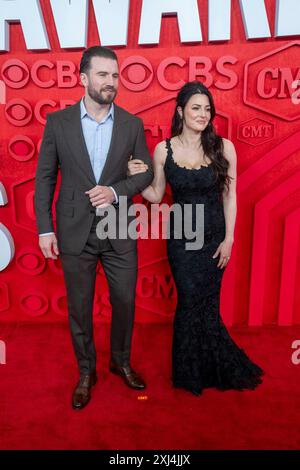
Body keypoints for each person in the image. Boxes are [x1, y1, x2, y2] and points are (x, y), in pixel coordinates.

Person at [35, 46, 153, 410]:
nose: (111, 82)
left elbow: (146, 172)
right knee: (80, 307)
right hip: (74, 231)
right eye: (102, 75)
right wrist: (44, 229)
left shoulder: (132, 124)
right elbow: (45, 179)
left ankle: (120, 360)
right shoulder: (58, 123)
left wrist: (116, 191)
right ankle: (86, 371)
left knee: (124, 302)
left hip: (119, 229)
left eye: (115, 75)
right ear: (84, 79)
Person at [128, 81, 263, 396]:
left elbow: (230, 197)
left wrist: (229, 239)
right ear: (180, 111)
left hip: (215, 236)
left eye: (207, 109)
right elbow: (156, 194)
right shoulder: (164, 149)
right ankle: (189, 373)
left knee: (208, 304)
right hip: (182, 240)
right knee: (189, 301)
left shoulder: (223, 147)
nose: (203, 114)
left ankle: (210, 368)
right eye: (196, 108)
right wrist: (135, 177)